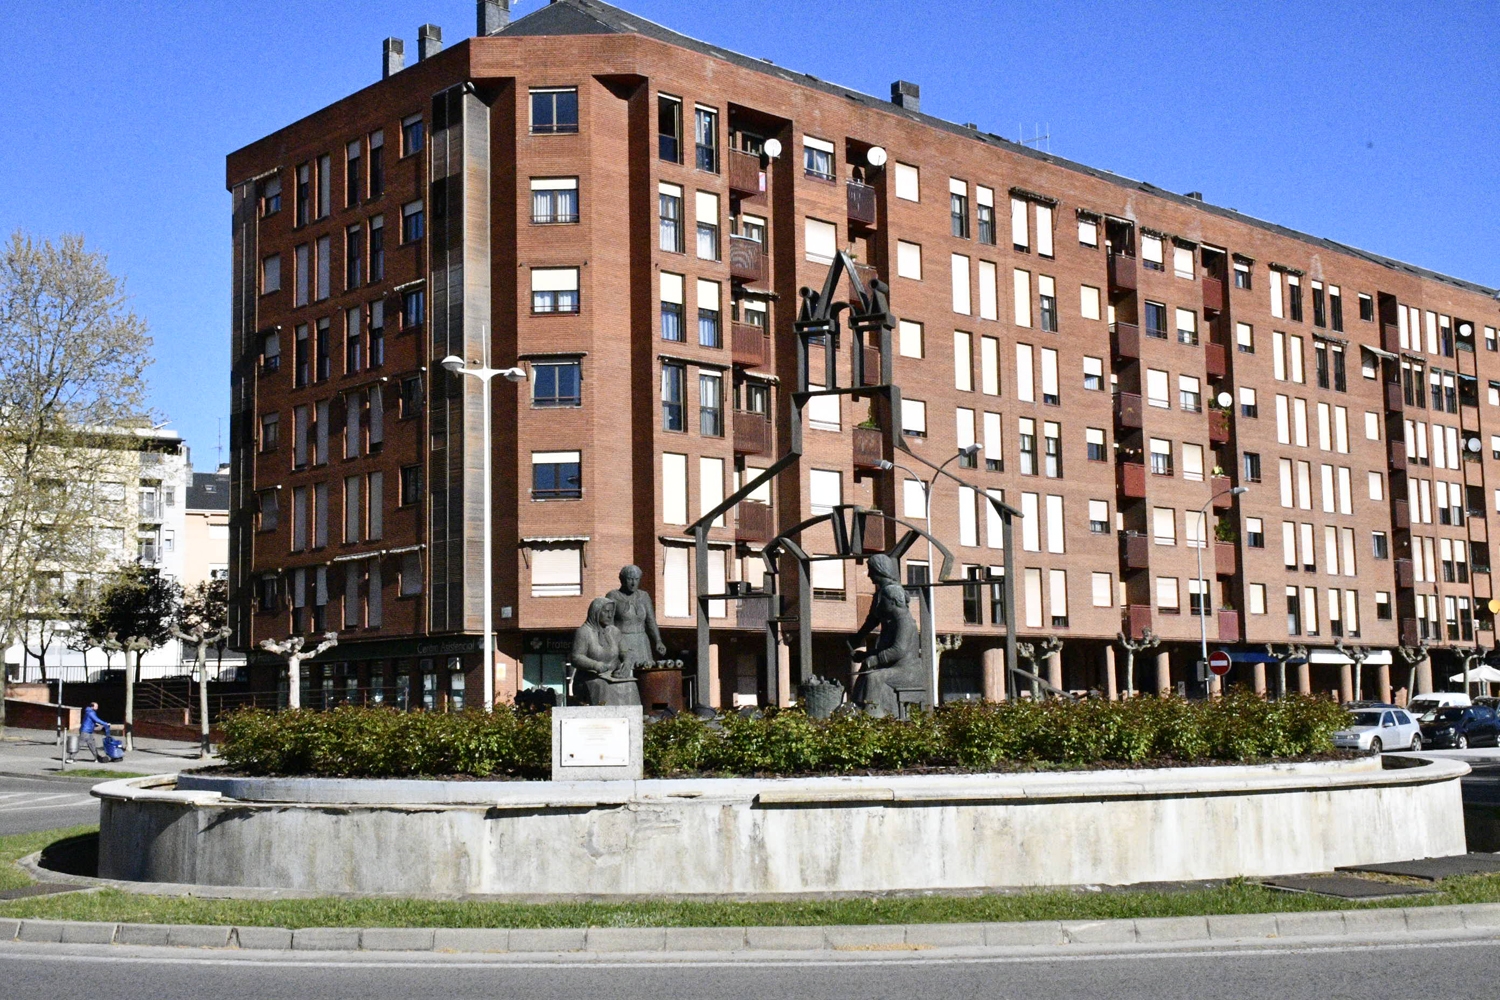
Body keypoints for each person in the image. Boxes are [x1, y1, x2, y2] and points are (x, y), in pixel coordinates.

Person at [849, 554, 925, 717]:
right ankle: (858, 707)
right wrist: (866, 655)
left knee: (874, 678)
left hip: (908, 671)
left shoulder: (904, 621)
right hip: (894, 667)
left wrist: (874, 659)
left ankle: (873, 714)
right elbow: (873, 621)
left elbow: (898, 650)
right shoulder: (889, 621)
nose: (869, 575)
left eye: (871, 570)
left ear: (892, 602)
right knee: (865, 671)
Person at [570, 597, 641, 706]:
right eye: (606, 611)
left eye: (612, 612)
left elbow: (626, 651)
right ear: (596, 612)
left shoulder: (614, 631)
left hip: (612, 676)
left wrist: (627, 662)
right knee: (603, 686)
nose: (610, 615)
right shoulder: (584, 632)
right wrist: (595, 665)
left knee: (631, 685)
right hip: (589, 678)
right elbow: (576, 657)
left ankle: (631, 716)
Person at [607, 565, 667, 672]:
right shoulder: (613, 596)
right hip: (623, 642)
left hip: (642, 642)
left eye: (636, 579)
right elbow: (608, 625)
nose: (633, 583)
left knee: (645, 673)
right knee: (625, 672)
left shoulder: (644, 596)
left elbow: (651, 621)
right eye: (630, 579)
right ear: (622, 579)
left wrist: (658, 641)